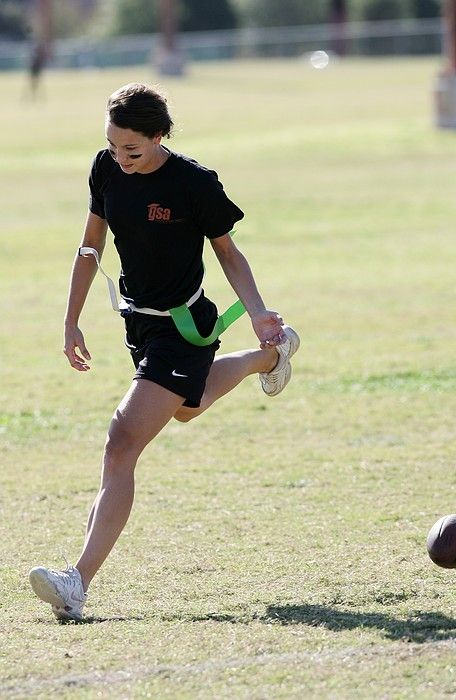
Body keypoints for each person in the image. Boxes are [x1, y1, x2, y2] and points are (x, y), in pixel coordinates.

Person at [28, 83, 300, 622]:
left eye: (133, 150)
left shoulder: (194, 184)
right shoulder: (106, 169)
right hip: (139, 324)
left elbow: (228, 252)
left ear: (159, 136)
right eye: (112, 146)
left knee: (122, 440)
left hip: (184, 326)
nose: (121, 160)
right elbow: (90, 246)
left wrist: (259, 309)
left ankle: (76, 581)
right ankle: (267, 359)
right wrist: (70, 318)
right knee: (187, 407)